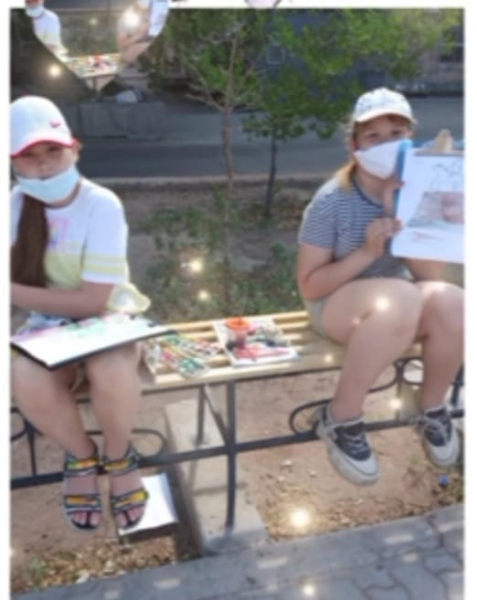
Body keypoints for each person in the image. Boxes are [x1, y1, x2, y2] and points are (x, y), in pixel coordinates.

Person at [296, 87, 464, 486]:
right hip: (334, 305)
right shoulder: (332, 201)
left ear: (411, 138)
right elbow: (310, 285)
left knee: (456, 301)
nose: (386, 144)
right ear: (354, 146)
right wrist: (366, 253)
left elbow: (428, 277)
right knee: (400, 296)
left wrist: (402, 215)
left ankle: (430, 407)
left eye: (396, 134)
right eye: (373, 136)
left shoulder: (421, 191)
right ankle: (340, 417)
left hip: (397, 308)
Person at [10, 95, 151, 531]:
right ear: (12, 163)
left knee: (109, 367)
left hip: (109, 320)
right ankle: (82, 457)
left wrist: (10, 291)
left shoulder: (100, 204)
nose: (43, 163)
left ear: (75, 148)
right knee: (26, 376)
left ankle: (119, 456)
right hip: (49, 326)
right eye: (29, 155)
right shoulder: (14, 205)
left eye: (52, 149)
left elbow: (93, 301)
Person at [117, 0, 169, 66]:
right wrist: (140, 34)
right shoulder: (128, 18)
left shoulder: (158, 15)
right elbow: (122, 44)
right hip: (134, 58)